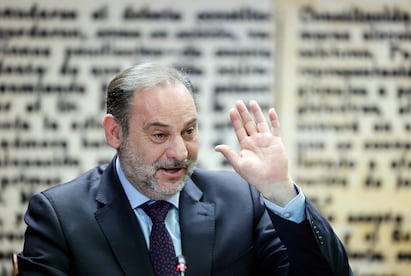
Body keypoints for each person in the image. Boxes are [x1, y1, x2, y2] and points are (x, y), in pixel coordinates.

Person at [18, 62, 352, 275]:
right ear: (115, 132)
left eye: (189, 131)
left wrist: (280, 190)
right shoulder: (60, 216)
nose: (180, 151)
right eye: (159, 134)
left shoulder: (242, 200)